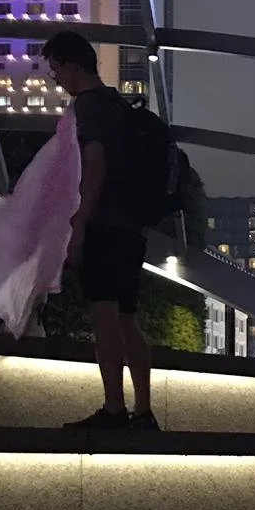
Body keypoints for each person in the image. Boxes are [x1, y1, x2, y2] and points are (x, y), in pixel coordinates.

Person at [42, 31, 157, 430]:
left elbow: (94, 164)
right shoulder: (119, 104)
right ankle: (143, 410)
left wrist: (80, 223)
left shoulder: (89, 106)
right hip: (131, 227)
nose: (56, 78)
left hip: (103, 224)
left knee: (104, 317)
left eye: (56, 69)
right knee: (127, 318)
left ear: (72, 65)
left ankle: (113, 409)